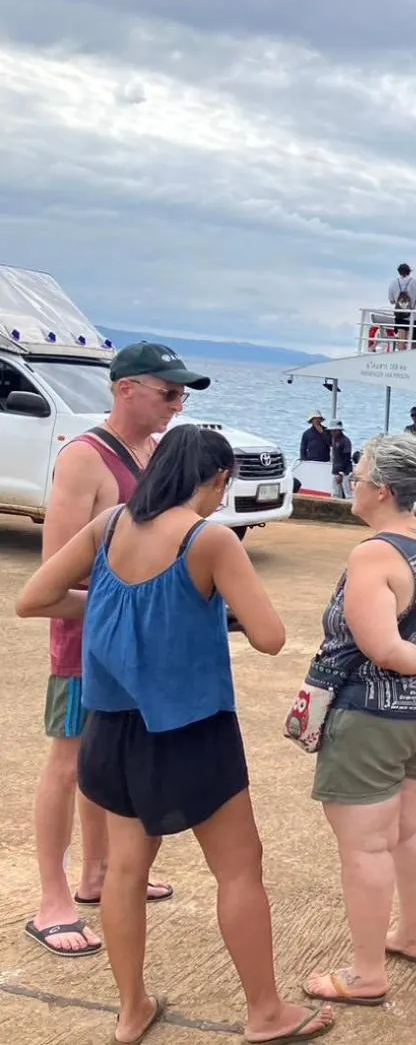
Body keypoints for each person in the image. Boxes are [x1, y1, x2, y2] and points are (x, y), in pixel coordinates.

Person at [15, 424, 335, 1045]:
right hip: (191, 731)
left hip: (111, 728)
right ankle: (266, 1012)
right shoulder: (208, 538)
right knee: (239, 869)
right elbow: (269, 636)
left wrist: (114, 602)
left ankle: (132, 1010)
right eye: (223, 487)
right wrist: (201, 603)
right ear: (216, 480)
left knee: (125, 870)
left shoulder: (108, 525)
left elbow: (35, 597)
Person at [29, 341, 202, 958]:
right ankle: (53, 897)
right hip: (87, 639)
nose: (178, 405)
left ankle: (98, 873)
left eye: (183, 394)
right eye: (169, 393)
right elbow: (58, 569)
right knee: (69, 761)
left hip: (133, 642)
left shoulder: (151, 452)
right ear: (126, 388)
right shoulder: (84, 459)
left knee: (110, 761)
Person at [303, 435, 416, 1006]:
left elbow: (381, 647)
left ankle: (365, 973)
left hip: (373, 717)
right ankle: (412, 933)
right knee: (412, 826)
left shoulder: (375, 554)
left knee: (365, 847)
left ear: (382, 489)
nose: (352, 485)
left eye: (358, 477)